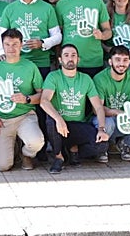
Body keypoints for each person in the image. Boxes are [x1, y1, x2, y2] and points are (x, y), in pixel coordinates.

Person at [40, 44, 108, 173]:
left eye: (73, 55)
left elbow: (98, 107)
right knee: (51, 121)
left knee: (102, 145)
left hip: (78, 125)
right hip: (58, 126)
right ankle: (58, 157)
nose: (70, 58)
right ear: (60, 60)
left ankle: (72, 149)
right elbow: (44, 101)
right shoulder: (53, 76)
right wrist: (59, 119)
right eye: (66, 55)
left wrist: (101, 129)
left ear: (78, 59)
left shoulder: (86, 79)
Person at [0, 29, 45, 172]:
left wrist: (27, 99)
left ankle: (26, 155)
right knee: (2, 166)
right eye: (7, 44)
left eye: (15, 44)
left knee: (36, 142)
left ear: (21, 44)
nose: (11, 48)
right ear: (2, 45)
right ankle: (15, 147)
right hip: (3, 120)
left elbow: (43, 95)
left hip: (25, 116)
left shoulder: (30, 66)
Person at [93, 45, 130, 159]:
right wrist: (117, 112)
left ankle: (125, 145)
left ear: (129, 61)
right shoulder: (100, 78)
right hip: (108, 118)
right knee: (108, 123)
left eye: (125, 60)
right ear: (110, 61)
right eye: (117, 60)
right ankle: (105, 146)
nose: (121, 64)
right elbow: (96, 109)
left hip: (127, 119)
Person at [0, 0, 61, 78]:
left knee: (40, 94)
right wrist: (1, 53)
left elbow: (58, 36)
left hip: (41, 62)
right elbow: (0, 35)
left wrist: (42, 43)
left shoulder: (47, 8)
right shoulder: (10, 9)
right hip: (17, 62)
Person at [55, 0, 111, 80]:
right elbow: (58, 34)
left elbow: (108, 31)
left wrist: (102, 35)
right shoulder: (61, 4)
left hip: (93, 60)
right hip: (70, 62)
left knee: (94, 97)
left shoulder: (98, 3)